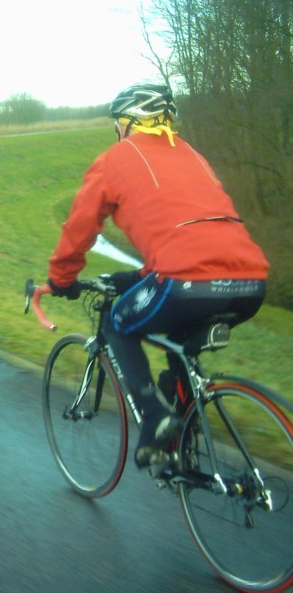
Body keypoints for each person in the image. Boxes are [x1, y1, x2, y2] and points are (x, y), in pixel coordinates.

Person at [44, 82, 269, 469]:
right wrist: (139, 276)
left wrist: (62, 277)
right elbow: (190, 229)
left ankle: (155, 415)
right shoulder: (193, 156)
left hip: (185, 282)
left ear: (129, 123)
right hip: (250, 282)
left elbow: (81, 227)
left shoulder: (116, 158)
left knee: (117, 323)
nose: (117, 130)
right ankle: (182, 430)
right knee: (180, 339)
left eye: (118, 123)